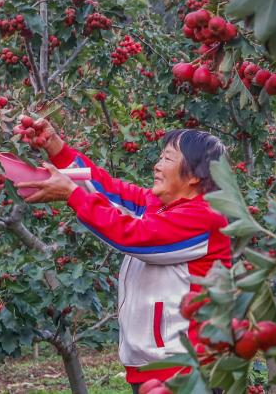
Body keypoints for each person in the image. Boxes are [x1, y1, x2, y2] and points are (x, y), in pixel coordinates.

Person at [14, 119, 232, 393]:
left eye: (167, 158)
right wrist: (55, 147)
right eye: (160, 157)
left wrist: (71, 194)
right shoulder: (157, 206)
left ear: (195, 176)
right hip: (151, 366)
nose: (157, 165)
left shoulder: (204, 217)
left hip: (186, 368)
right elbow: (106, 189)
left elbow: (133, 235)